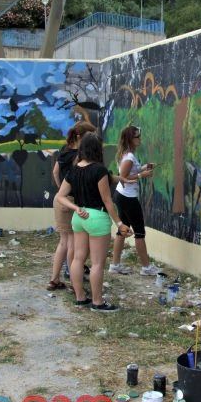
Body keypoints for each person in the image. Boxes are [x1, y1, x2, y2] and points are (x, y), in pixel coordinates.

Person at [56, 133, 131, 312]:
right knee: (97, 263)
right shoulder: (99, 170)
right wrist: (120, 223)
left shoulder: (73, 170)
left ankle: (80, 298)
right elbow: (107, 200)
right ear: (97, 149)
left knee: (78, 258)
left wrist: (75, 208)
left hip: (79, 218)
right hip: (97, 217)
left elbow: (60, 196)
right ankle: (97, 302)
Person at [47, 121, 95, 291]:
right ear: (81, 137)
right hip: (72, 201)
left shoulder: (64, 150)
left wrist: (62, 191)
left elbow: (55, 172)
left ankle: (54, 280)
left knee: (64, 242)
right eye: (90, 136)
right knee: (73, 244)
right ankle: (75, 284)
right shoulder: (80, 156)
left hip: (60, 200)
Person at [109, 126, 161, 276]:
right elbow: (123, 177)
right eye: (137, 136)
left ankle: (115, 265)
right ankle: (146, 268)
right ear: (130, 139)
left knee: (122, 231)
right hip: (128, 198)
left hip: (122, 196)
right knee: (139, 232)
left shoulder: (127, 154)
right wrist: (141, 175)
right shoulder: (129, 157)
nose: (139, 139)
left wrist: (144, 167)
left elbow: (130, 171)